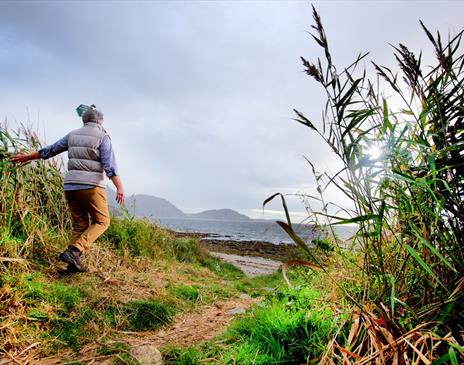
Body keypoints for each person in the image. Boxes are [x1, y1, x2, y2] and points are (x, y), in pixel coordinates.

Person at [11, 105, 125, 273]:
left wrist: (27, 157)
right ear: (100, 121)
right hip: (91, 186)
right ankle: (74, 251)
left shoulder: (72, 135)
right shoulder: (103, 137)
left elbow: (50, 150)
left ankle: (72, 265)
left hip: (70, 186)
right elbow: (109, 166)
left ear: (83, 120)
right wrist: (119, 187)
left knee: (80, 224)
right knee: (102, 221)